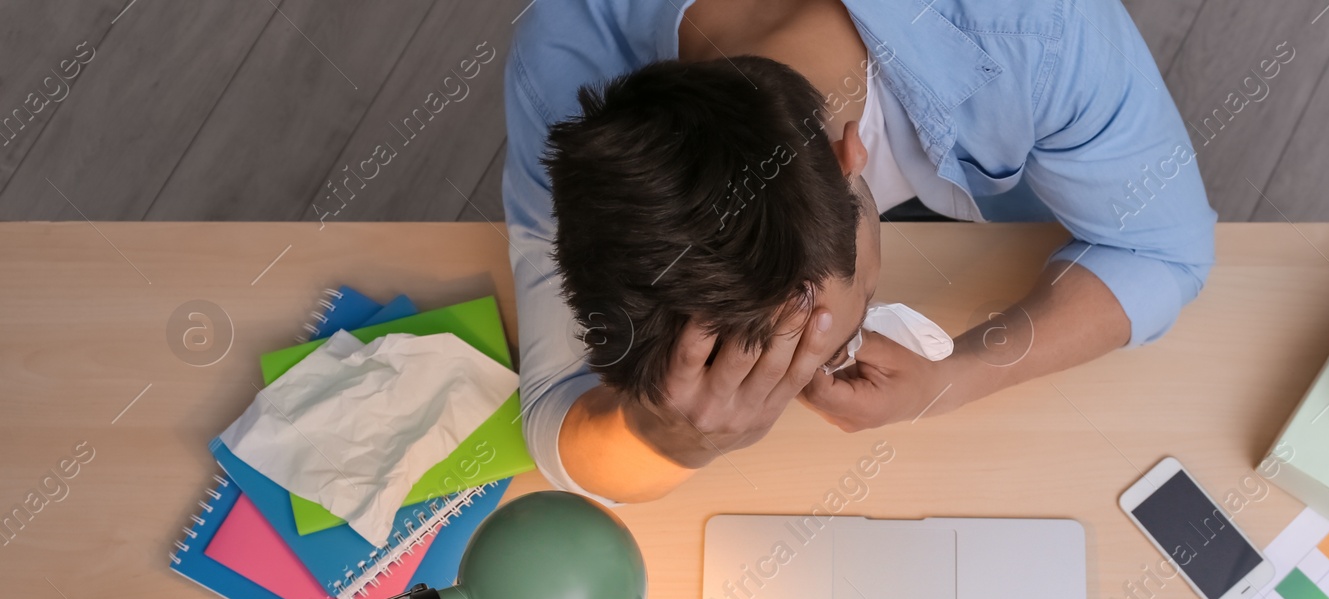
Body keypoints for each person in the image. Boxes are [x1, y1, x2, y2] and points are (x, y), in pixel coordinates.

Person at [504, 0, 1215, 503]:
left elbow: (1163, 248)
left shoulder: (1032, 23)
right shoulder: (569, 78)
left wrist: (958, 375)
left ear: (853, 162)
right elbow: (552, 411)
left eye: (839, 329)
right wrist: (668, 436)